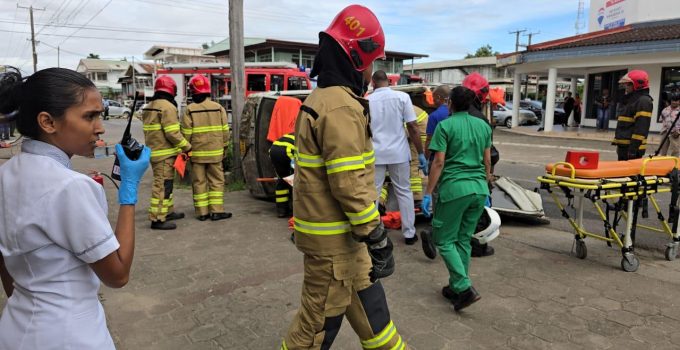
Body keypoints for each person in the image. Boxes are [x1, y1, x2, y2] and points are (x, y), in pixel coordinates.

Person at [282, 5, 408, 349]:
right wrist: (377, 235)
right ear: (357, 58)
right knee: (312, 332)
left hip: (346, 243)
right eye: (372, 62)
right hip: (336, 247)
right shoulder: (340, 107)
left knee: (377, 320)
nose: (372, 71)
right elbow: (349, 184)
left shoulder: (328, 99)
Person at [0, 67, 151, 349]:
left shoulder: (7, 173)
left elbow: (4, 259)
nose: (100, 127)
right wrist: (129, 191)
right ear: (47, 122)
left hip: (16, 325)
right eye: (89, 116)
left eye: (100, 115)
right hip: (70, 335)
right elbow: (117, 275)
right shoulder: (70, 187)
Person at [421, 86, 492, 312]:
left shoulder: (445, 126)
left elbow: (439, 162)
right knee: (462, 239)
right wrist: (487, 185)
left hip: (455, 190)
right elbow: (487, 160)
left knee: (444, 240)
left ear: (450, 103)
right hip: (478, 189)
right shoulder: (483, 125)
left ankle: (464, 287)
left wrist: (427, 192)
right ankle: (455, 286)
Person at [368, 69, 427, 245]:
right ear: (389, 82)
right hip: (399, 153)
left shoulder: (367, 100)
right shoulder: (402, 98)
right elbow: (413, 127)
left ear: (372, 83)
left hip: (375, 154)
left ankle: (373, 232)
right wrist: (421, 153)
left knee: (374, 192)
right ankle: (409, 233)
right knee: (404, 191)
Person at [142, 75, 191, 230]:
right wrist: (187, 146)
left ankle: (167, 212)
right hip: (165, 154)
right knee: (162, 186)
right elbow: (172, 133)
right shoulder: (168, 107)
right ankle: (157, 219)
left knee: (166, 185)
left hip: (155, 152)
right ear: (171, 90)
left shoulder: (150, 106)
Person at [181, 74, 232, 221]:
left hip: (197, 154)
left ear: (192, 92)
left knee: (199, 182)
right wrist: (225, 147)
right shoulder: (218, 108)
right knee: (216, 181)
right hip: (216, 154)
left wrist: (186, 151)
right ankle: (217, 211)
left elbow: (186, 134)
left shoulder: (189, 110)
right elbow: (225, 131)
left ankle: (202, 213)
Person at [613, 70, 653, 161]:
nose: (625, 87)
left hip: (631, 148)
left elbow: (641, 128)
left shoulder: (643, 101)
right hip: (624, 146)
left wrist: (633, 149)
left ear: (637, 84)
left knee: (630, 174)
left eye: (628, 84)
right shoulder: (633, 99)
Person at [269, 132, 295, 218]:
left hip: (273, 150)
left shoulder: (296, 133)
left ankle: (282, 210)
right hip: (287, 151)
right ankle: (296, 209)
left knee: (282, 179)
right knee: (295, 180)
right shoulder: (305, 137)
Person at [425, 85, 451, 159]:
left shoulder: (434, 116)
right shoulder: (457, 113)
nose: (433, 101)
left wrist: (426, 158)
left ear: (439, 97)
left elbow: (429, 140)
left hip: (437, 158)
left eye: (433, 98)